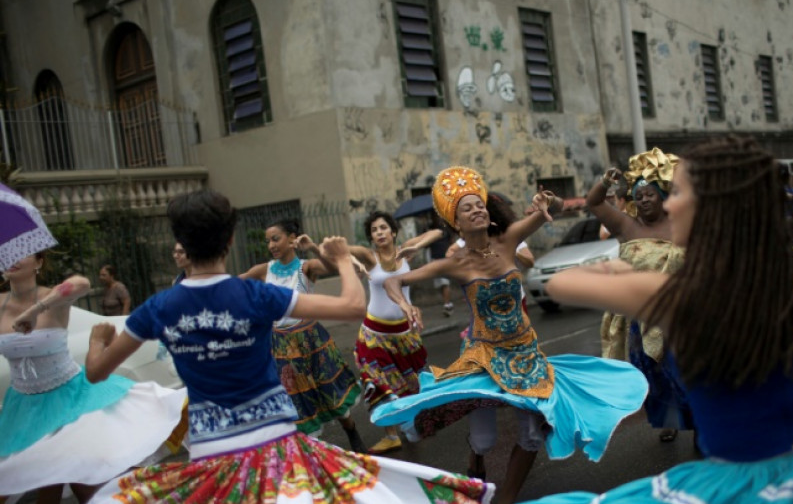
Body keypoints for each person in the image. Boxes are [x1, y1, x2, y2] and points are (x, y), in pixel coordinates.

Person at [522, 136, 793, 504]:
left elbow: (563, 286)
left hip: (735, 484)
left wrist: (619, 277)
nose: (669, 202)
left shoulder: (673, 294)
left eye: (678, 193)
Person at [84, 190, 495, 503]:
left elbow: (97, 372)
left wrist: (97, 340)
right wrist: (339, 258)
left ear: (181, 245)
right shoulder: (252, 295)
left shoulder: (158, 308)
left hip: (210, 455)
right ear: (229, 241)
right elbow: (353, 307)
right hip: (280, 450)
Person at [372, 167, 648, 504]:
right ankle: (476, 459)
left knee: (532, 435)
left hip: (524, 354)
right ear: (456, 223)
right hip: (483, 357)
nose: (478, 210)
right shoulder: (455, 263)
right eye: (467, 208)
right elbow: (393, 281)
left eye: (480, 204)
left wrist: (549, 200)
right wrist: (405, 305)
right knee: (485, 440)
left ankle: (507, 498)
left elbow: (557, 208)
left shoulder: (509, 240)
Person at [0, 253, 186, 503]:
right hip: (24, 408)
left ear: (39, 262)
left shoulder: (53, 297)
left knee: (87, 486)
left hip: (71, 400)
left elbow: (82, 283)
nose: (12, 259)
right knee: (43, 484)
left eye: (21, 254)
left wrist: (36, 310)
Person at [588, 148, 694, 445]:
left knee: (686, 373)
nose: (644, 199)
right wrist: (606, 181)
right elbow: (593, 202)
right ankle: (669, 421)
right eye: (639, 195)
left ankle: (702, 425)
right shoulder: (626, 226)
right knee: (654, 376)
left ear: (663, 196)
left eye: (650, 194)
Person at [240, 219, 366, 452]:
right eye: (268, 241)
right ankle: (316, 454)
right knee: (298, 399)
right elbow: (233, 284)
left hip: (312, 341)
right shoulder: (263, 270)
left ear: (291, 238)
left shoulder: (307, 267)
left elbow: (335, 266)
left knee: (329, 391)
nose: (271, 245)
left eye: (275, 239)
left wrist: (313, 247)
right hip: (282, 346)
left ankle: (352, 433)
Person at [345, 211, 441, 454]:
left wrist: (414, 246)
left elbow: (437, 232)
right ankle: (390, 435)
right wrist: (351, 260)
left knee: (411, 383)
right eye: (374, 230)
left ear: (393, 231)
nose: (379, 233)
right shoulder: (369, 257)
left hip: (405, 333)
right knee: (378, 383)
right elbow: (339, 248)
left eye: (383, 228)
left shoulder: (405, 250)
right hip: (374, 334)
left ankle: (412, 425)